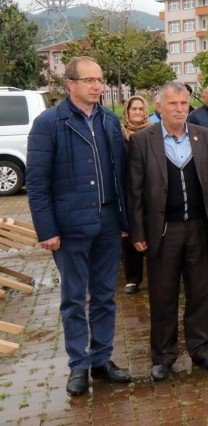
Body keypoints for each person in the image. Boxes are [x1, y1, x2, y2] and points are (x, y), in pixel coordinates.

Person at [27, 56, 133, 395]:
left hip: (106, 222)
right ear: (70, 84)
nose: (98, 86)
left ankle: (101, 359)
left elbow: (121, 174)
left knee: (104, 296)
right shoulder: (49, 123)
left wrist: (124, 218)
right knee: (74, 299)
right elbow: (38, 182)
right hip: (70, 226)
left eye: (100, 79)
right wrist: (47, 230)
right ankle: (79, 365)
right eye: (90, 80)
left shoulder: (109, 121)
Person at [128, 82, 208, 381]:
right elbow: (135, 191)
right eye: (173, 104)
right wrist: (138, 232)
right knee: (163, 294)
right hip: (163, 231)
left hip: (198, 227)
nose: (180, 109)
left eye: (184, 104)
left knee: (200, 291)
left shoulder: (205, 137)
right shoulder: (142, 140)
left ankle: (202, 348)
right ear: (159, 107)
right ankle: (163, 355)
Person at [120, 95, 151, 295]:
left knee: (151, 229)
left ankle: (156, 273)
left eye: (141, 109)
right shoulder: (119, 133)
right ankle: (133, 278)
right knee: (129, 232)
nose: (138, 112)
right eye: (134, 109)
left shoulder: (153, 133)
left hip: (149, 189)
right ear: (127, 111)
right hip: (126, 188)